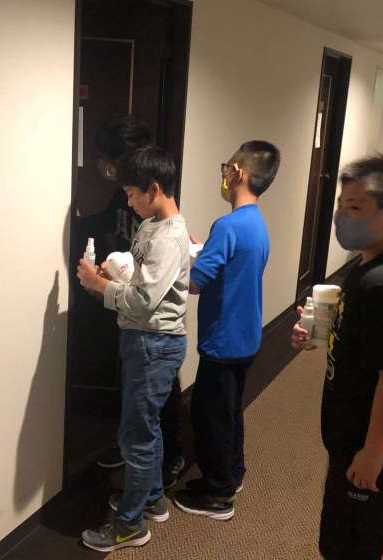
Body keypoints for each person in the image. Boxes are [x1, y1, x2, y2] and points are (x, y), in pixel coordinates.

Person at [78, 146, 190, 552]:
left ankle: (129, 526)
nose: (127, 202)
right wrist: (114, 274)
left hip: (153, 343)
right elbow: (142, 282)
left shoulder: (169, 236)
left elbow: (144, 301)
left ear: (153, 189)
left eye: (130, 194)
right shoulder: (151, 226)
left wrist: (99, 285)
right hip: (145, 341)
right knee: (146, 427)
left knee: (135, 436)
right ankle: (151, 497)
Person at [291, 155, 383, 559]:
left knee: (351, 546)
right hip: (346, 436)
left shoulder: (382, 285)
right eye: (340, 204)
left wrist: (373, 453)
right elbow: (360, 341)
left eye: (354, 207)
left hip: (363, 444)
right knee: (334, 538)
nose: (339, 217)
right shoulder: (364, 268)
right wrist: (315, 333)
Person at [174, 141, 280, 520]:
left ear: (239, 173)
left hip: (222, 339)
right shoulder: (257, 224)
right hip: (246, 336)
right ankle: (232, 475)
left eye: (227, 166)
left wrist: (178, 259)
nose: (223, 173)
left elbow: (196, 282)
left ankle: (218, 495)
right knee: (231, 410)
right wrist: (206, 249)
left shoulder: (227, 225)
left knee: (210, 416)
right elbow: (235, 265)